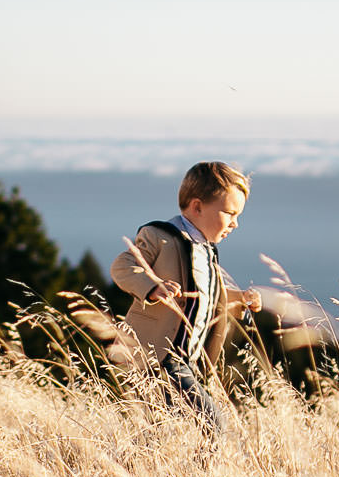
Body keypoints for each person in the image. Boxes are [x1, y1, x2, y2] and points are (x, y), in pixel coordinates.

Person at [110, 161, 262, 432]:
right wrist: (154, 286)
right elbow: (122, 267)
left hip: (187, 362)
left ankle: (139, 471)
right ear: (197, 207)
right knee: (213, 425)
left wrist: (240, 298)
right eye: (229, 213)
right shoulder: (160, 237)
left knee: (158, 433)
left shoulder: (205, 249)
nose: (235, 224)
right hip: (159, 357)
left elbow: (208, 295)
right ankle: (205, 475)